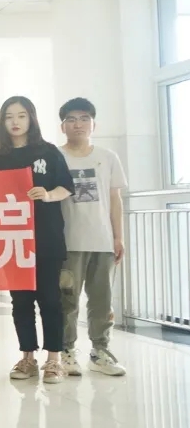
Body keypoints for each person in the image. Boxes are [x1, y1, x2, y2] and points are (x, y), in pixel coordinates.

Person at [0, 96, 74, 384]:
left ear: (31, 119)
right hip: (12, 239)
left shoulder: (48, 152)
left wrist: (48, 195)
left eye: (21, 115)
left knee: (50, 298)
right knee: (21, 301)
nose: (15, 122)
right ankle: (27, 357)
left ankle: (54, 360)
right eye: (9, 116)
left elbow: (66, 187)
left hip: (47, 236)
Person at [57, 97, 128, 377]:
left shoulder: (108, 157)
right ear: (62, 126)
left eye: (84, 119)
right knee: (67, 299)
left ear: (93, 124)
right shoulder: (55, 157)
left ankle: (100, 350)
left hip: (102, 241)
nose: (78, 124)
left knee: (101, 299)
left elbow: (115, 199)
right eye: (72, 119)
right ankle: (66, 350)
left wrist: (118, 236)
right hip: (67, 242)